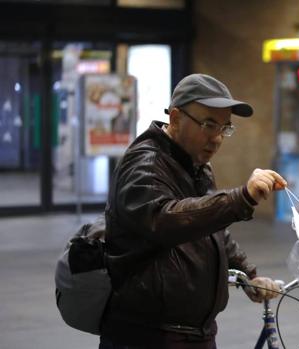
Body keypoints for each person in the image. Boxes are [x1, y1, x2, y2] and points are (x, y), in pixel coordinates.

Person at [101, 74, 287, 349]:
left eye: (225, 128)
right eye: (209, 124)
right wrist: (240, 198)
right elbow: (164, 219)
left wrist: (247, 273)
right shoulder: (144, 164)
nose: (217, 139)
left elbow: (211, 229)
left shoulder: (195, 165)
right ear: (175, 118)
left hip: (195, 332)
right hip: (149, 335)